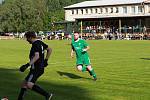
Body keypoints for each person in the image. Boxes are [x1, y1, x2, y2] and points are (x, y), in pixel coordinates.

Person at [17, 31, 53, 100]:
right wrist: (46, 60)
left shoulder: (35, 44)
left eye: (27, 38)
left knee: (29, 84)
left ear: (30, 37)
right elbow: (50, 49)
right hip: (39, 67)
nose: (26, 40)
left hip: (37, 68)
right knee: (24, 84)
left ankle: (47, 95)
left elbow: (37, 56)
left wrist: (27, 65)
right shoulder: (40, 42)